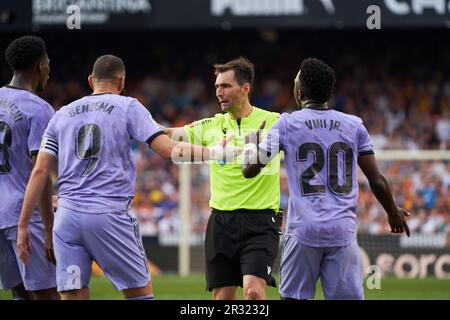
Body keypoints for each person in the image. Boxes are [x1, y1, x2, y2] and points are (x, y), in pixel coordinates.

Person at [16, 54, 238, 300]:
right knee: (140, 296)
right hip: (108, 215)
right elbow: (169, 150)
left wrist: (23, 225)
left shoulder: (62, 114)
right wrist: (216, 153)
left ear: (91, 81)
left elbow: (39, 171)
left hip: (66, 218)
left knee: (73, 297)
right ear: (121, 82)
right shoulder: (128, 106)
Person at [242, 57, 411, 300]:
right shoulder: (354, 125)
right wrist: (392, 211)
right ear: (329, 92)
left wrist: (254, 143)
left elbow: (249, 170)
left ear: (299, 91)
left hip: (303, 231)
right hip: (341, 231)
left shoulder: (286, 124)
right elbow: (377, 179)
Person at [164, 57, 281, 300]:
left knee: (253, 293)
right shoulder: (210, 125)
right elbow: (170, 136)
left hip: (261, 222)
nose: (219, 92)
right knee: (222, 299)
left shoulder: (274, 122)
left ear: (245, 88)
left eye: (225, 86)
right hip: (221, 223)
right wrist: (136, 122)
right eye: (217, 86)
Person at [0, 35, 58, 300]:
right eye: (47, 62)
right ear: (40, 66)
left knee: (20, 294)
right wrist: (49, 228)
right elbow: (41, 172)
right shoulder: (39, 109)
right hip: (25, 214)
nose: (49, 68)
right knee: (47, 294)